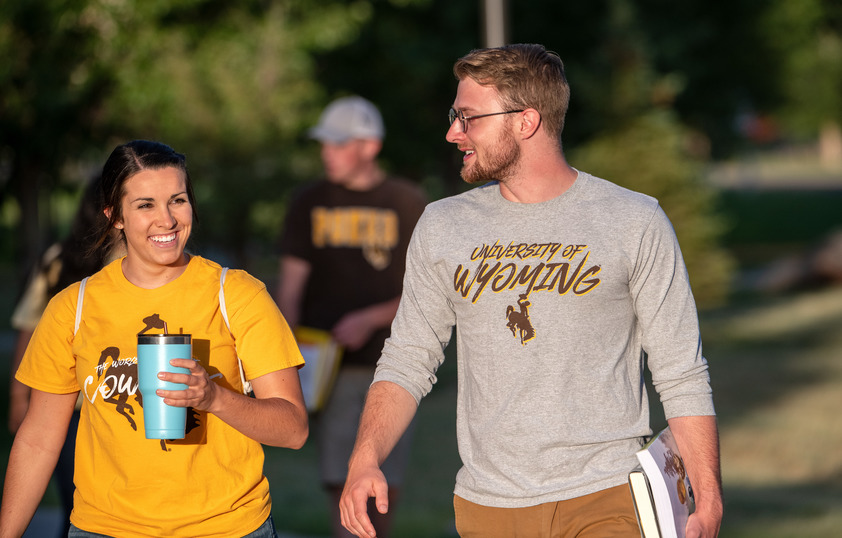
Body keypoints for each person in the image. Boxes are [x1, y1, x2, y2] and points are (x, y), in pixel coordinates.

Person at [339, 44, 723, 538]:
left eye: (468, 117)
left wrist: (708, 498)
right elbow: (408, 358)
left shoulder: (634, 221)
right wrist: (364, 458)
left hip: (609, 494)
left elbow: (681, 371)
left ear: (525, 121)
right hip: (488, 505)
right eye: (454, 116)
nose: (453, 132)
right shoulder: (443, 225)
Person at [0, 140, 309, 538]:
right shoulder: (72, 307)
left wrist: (215, 398)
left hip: (227, 528)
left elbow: (294, 429)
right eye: (145, 205)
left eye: (177, 200)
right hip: (104, 528)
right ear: (115, 216)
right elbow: (39, 440)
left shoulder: (236, 294)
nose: (167, 219)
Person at [276, 96, 426, 537]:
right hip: (328, 368)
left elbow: (427, 293)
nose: (328, 152)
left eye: (339, 144)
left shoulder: (407, 202)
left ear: (370, 145)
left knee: (386, 483)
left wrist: (371, 318)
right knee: (341, 480)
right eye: (325, 143)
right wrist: (287, 351)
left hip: (394, 364)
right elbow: (290, 286)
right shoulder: (309, 201)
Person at [7, 176, 122, 538]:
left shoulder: (145, 259)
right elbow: (31, 330)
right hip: (73, 411)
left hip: (112, 408)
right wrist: (18, 397)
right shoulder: (61, 259)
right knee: (81, 511)